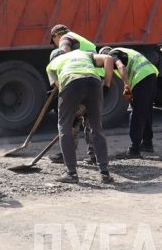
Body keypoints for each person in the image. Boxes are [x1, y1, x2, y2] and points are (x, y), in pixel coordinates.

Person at [46, 48, 114, 184]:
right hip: (94, 83)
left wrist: (75, 110)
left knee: (64, 127)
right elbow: (108, 59)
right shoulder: (83, 53)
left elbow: (61, 87)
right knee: (96, 127)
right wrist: (106, 84)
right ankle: (105, 173)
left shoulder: (51, 65)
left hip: (71, 83)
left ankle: (71, 173)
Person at [49, 24, 100, 164]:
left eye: (53, 40)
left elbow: (62, 55)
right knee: (89, 120)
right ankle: (95, 156)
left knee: (72, 117)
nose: (55, 44)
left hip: (78, 80)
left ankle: (68, 153)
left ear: (56, 35)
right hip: (94, 80)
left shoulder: (65, 39)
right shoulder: (80, 40)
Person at [99, 46, 159, 158]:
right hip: (150, 75)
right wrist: (130, 91)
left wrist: (127, 86)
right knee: (146, 111)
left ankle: (134, 150)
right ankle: (147, 144)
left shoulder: (112, 54)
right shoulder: (124, 51)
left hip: (141, 77)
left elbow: (121, 66)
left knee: (136, 113)